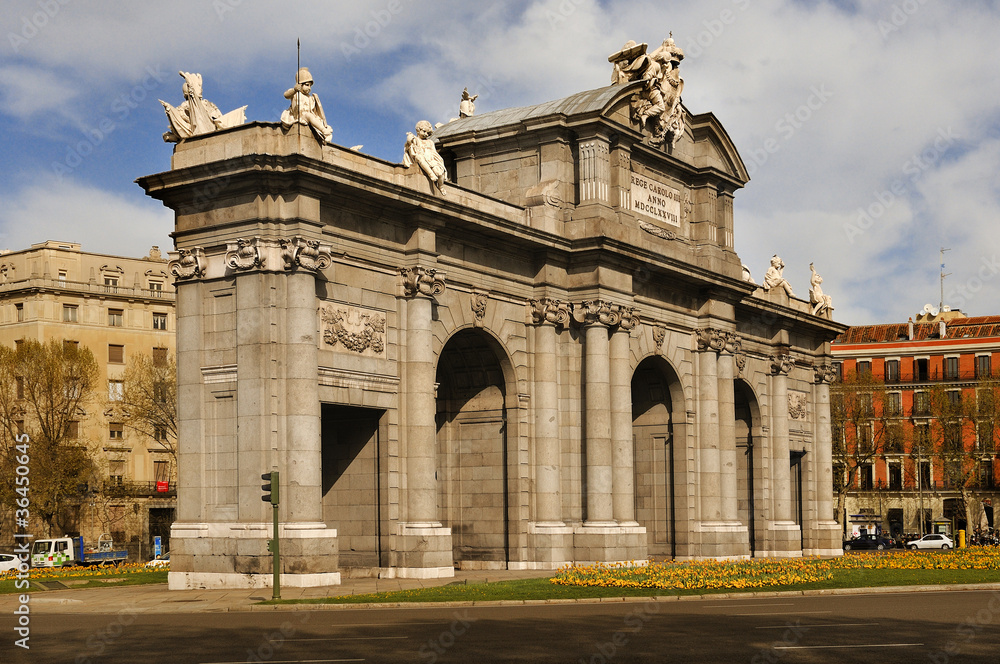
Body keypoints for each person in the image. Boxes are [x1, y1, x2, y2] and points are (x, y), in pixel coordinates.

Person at [281, 67, 333, 144]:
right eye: (307, 85)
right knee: (308, 115)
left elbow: (315, 111)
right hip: (300, 116)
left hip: (308, 117)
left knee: (316, 119)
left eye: (310, 86)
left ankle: (324, 134)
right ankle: (324, 131)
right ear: (300, 85)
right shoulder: (296, 93)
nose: (309, 88)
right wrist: (295, 89)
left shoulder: (310, 97)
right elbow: (286, 95)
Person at [404, 121, 448, 195]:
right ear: (418, 130)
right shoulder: (415, 139)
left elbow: (434, 152)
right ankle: (431, 174)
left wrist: (438, 161)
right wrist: (410, 137)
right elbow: (409, 142)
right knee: (419, 158)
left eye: (428, 133)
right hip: (420, 156)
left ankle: (440, 186)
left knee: (440, 174)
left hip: (430, 158)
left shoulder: (430, 142)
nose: (426, 134)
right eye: (424, 131)